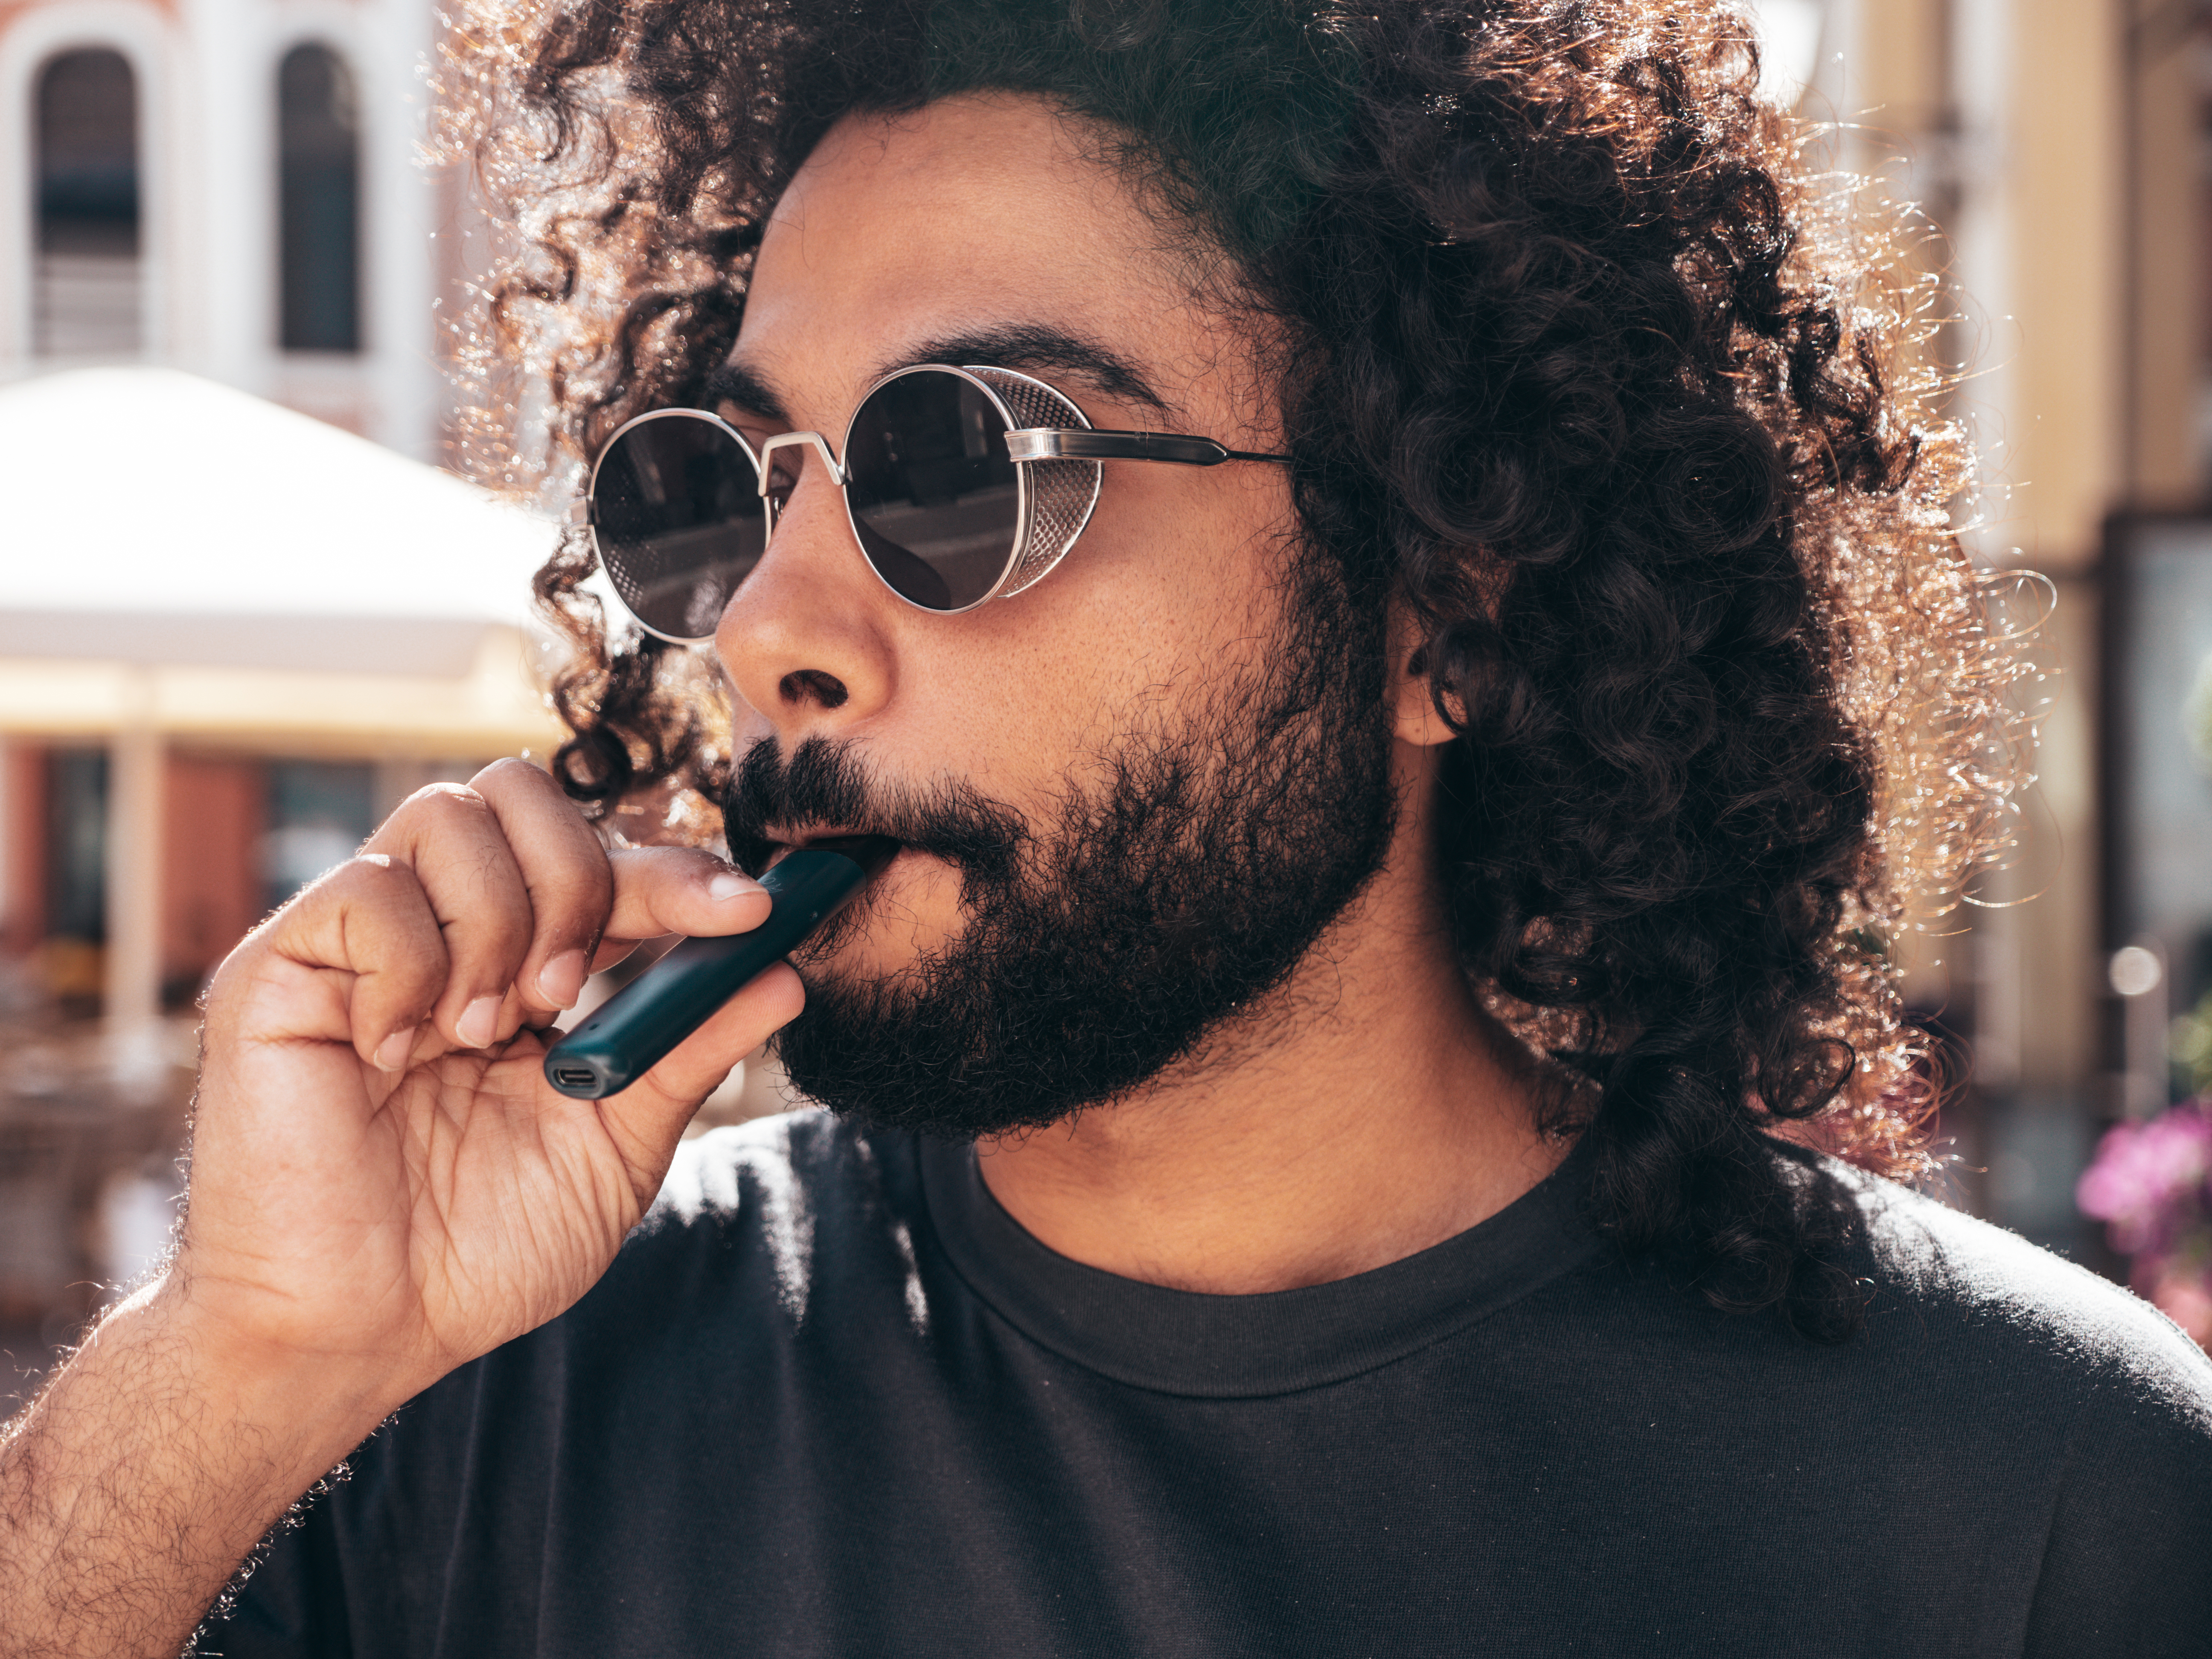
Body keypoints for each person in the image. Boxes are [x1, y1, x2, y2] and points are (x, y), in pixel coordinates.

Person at [5, 3, 2210, 1653]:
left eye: (971, 469)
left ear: (1446, 592)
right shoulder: (480, 1401)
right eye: (719, 488)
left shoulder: (2044, 1510)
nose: (775, 625)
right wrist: (238, 1363)